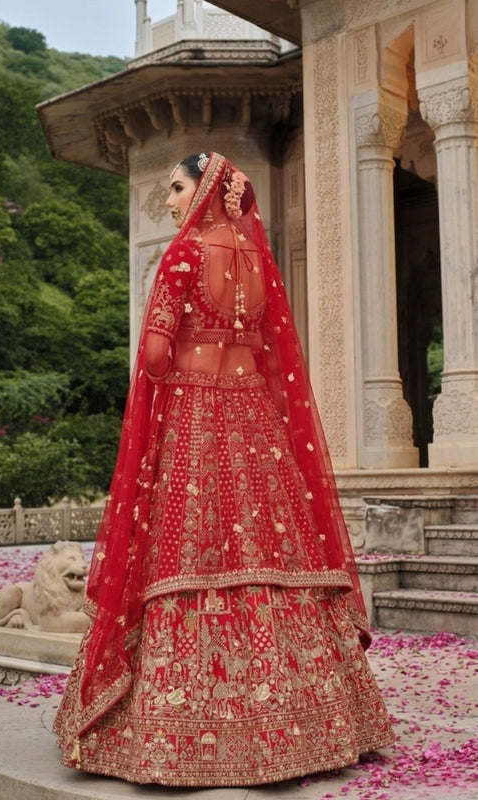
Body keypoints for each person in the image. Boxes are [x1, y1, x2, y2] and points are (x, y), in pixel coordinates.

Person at [54, 151, 394, 787]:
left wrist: (164, 365)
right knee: (273, 546)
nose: (172, 202)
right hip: (255, 420)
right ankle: (309, 724)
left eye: (177, 189)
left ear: (204, 190)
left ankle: (178, 731)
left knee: (190, 551)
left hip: (195, 417)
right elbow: (270, 348)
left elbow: (155, 353)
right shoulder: (258, 261)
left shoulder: (182, 257)